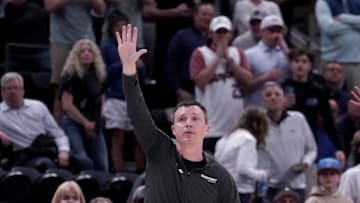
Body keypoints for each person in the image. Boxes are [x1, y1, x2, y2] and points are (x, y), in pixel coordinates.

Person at [117, 24, 240, 202]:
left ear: (206, 128)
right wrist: (129, 70)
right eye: (182, 119)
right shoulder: (158, 150)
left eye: (195, 119)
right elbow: (138, 114)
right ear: (173, 129)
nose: (188, 123)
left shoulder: (221, 177)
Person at [190, 15, 252, 153]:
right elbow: (200, 82)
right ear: (211, 34)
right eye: (219, 32)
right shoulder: (200, 53)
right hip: (211, 126)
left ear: (231, 34)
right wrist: (218, 57)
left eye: (225, 32)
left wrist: (230, 61)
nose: (222, 36)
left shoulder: (238, 53)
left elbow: (248, 81)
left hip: (236, 125)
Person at [44, 0, 106, 123]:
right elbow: (49, 7)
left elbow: (101, 9)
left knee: (93, 80)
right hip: (61, 40)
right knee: (59, 85)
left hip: (86, 38)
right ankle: (59, 129)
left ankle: (93, 124)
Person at [101, 10, 145, 173]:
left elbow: (142, 75)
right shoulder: (106, 47)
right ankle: (118, 172)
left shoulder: (135, 47)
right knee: (117, 136)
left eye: (124, 25)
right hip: (115, 97)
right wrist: (124, 62)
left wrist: (140, 66)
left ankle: (140, 172)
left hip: (134, 97)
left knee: (139, 137)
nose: (120, 28)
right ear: (111, 29)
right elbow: (103, 73)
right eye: (117, 26)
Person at [259, 81, 317, 203]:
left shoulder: (298, 118)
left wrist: (305, 163)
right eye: (268, 95)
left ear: (284, 98)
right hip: (270, 185)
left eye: (277, 94)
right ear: (262, 100)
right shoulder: (258, 123)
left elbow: (312, 149)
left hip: (297, 184)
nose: (273, 97)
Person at [0, 72, 70, 170]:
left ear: (23, 91)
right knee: (44, 164)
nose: (13, 91)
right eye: (9, 88)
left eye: (16, 88)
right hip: (20, 158)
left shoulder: (38, 106)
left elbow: (58, 134)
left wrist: (64, 151)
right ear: (2, 92)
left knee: (83, 163)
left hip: (44, 150)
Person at [60, 39, 108, 172]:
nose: (86, 53)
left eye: (89, 51)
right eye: (82, 51)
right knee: (82, 161)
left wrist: (95, 123)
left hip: (94, 121)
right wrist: (85, 123)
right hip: (74, 121)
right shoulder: (70, 76)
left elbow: (102, 101)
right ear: (76, 55)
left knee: (102, 165)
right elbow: (67, 105)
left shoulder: (100, 76)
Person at [215, 106, 270, 203]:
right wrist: (264, 174)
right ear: (259, 125)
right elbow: (243, 170)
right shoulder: (248, 140)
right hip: (238, 191)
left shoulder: (225, 138)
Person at [244, 15, 289, 107]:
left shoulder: (285, 53)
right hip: (258, 106)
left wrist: (284, 47)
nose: (276, 35)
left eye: (279, 31)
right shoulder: (249, 54)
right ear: (262, 32)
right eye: (272, 31)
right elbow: (244, 87)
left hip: (282, 107)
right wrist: (265, 77)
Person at [315, 0, 360, 91]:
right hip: (331, 62)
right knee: (328, 98)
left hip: (356, 62)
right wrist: (356, 26)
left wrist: (342, 18)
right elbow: (329, 28)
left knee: (356, 100)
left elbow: (335, 25)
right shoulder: (323, 2)